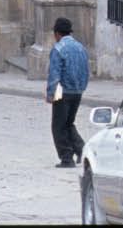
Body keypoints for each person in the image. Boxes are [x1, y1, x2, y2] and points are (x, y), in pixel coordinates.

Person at [46, 17, 90, 168]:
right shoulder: (81, 48)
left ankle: (66, 157)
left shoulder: (58, 49)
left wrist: (51, 93)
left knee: (58, 125)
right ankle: (82, 150)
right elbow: (86, 70)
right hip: (77, 90)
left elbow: (54, 74)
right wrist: (82, 87)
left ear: (57, 33)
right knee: (69, 123)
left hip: (62, 91)